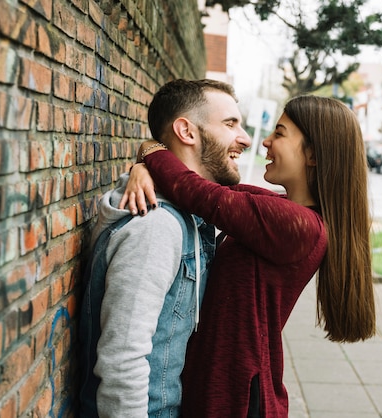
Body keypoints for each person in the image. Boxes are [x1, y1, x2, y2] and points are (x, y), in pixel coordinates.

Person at [122, 95, 375, 417]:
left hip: (235, 397)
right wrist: (147, 168)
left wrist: (150, 150)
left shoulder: (295, 226)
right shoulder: (283, 210)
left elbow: (193, 190)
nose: (266, 141)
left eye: (280, 134)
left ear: (312, 153)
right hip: (229, 386)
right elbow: (199, 187)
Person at [77, 78, 251, 417]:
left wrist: (145, 157)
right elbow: (122, 360)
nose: (244, 138)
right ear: (187, 132)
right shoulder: (157, 226)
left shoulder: (186, 217)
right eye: (230, 124)